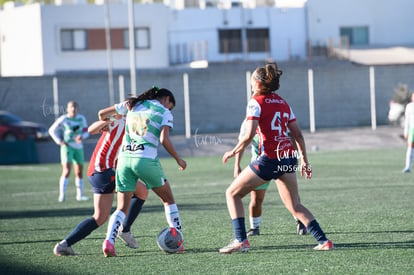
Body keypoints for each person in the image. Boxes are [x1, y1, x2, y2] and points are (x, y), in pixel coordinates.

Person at [220, 63, 334, 254]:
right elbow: (298, 135)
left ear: (257, 82)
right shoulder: (283, 103)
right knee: (295, 205)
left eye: (251, 82)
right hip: (288, 156)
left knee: (232, 193)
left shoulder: (255, 102)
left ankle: (241, 240)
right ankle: (323, 241)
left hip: (270, 158)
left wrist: (233, 151)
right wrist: (305, 161)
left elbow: (248, 136)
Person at [99, 86, 187, 257]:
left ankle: (109, 241)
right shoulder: (164, 112)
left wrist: (111, 121)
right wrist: (178, 159)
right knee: (168, 200)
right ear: (167, 99)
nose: (170, 110)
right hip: (145, 159)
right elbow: (163, 139)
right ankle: (179, 242)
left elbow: (102, 114)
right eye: (171, 106)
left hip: (124, 160)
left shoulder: (132, 104)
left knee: (122, 207)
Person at [53, 115, 148, 256]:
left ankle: (64, 245)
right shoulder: (118, 120)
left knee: (100, 217)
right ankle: (124, 230)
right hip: (103, 170)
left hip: (100, 172)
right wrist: (107, 121)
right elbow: (90, 130)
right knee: (140, 192)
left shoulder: (132, 125)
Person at [234, 120, 307, 237]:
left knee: (291, 196)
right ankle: (254, 228)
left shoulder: (274, 115)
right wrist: (236, 165)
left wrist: (296, 156)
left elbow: (292, 136)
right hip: (260, 165)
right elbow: (242, 144)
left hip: (280, 160)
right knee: (257, 198)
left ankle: (300, 222)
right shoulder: (247, 123)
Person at [49, 101, 89, 202]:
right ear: (67, 109)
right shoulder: (64, 119)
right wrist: (59, 141)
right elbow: (51, 130)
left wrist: (82, 136)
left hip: (79, 147)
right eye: (71, 107)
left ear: (77, 108)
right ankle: (62, 196)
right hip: (67, 147)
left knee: (79, 172)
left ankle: (80, 196)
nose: (73, 109)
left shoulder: (81, 118)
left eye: (75, 107)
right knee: (66, 170)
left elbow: (86, 131)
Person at [402, 92, 414, 173]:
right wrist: (406, 131)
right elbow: (407, 119)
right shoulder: (409, 106)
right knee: (410, 147)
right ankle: (407, 166)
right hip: (412, 129)